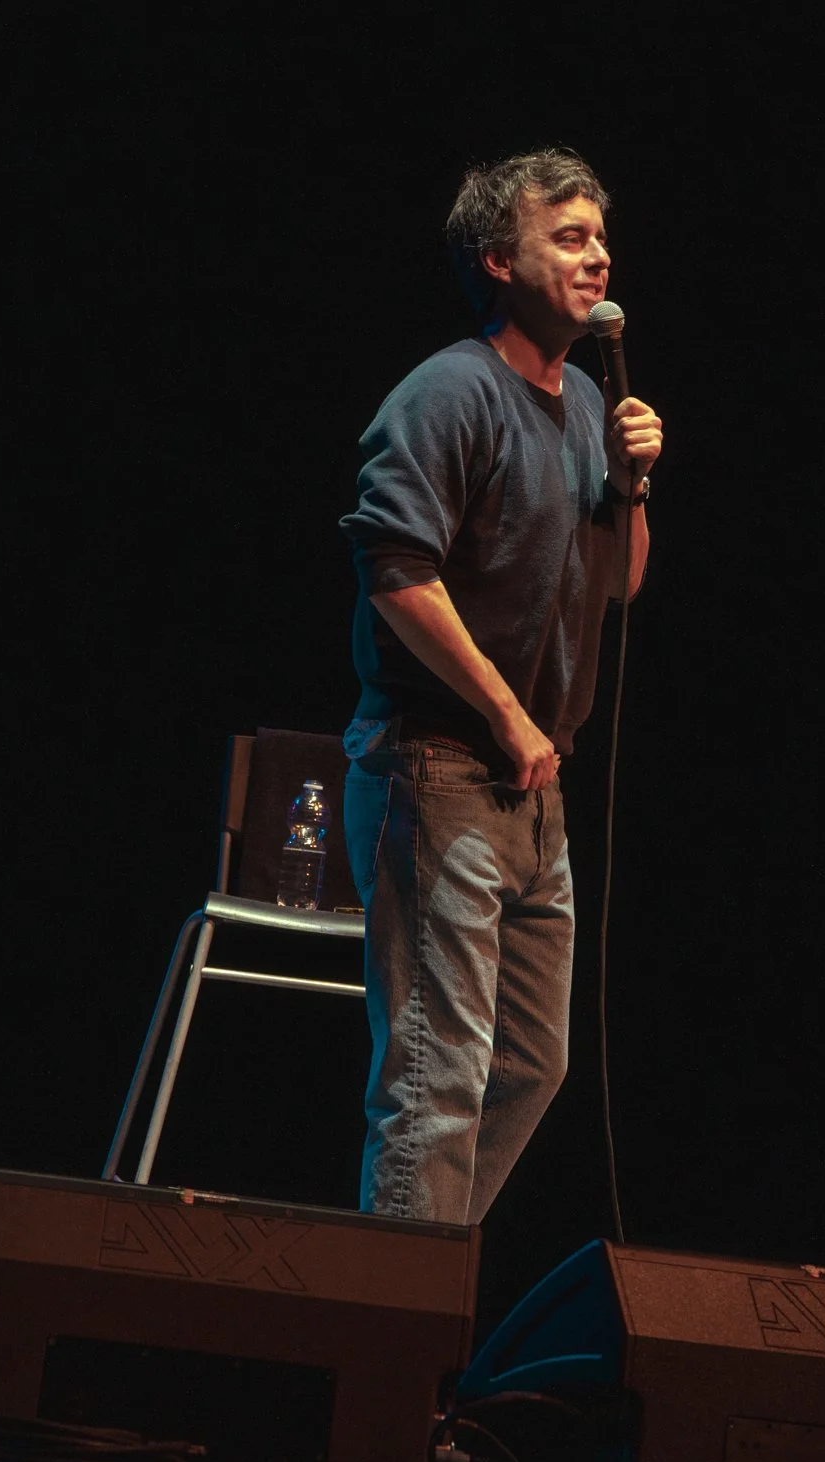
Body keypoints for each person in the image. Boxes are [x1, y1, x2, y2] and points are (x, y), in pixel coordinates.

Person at [337, 148, 663, 1224]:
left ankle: (401, 1296)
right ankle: (390, 1349)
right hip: (438, 769)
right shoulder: (449, 391)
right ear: (498, 259)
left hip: (536, 794)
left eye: (599, 238)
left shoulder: (582, 407)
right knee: (438, 1084)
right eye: (568, 237)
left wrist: (631, 488)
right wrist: (508, 712)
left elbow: (621, 586)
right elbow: (395, 575)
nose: (597, 255)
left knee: (530, 1064)